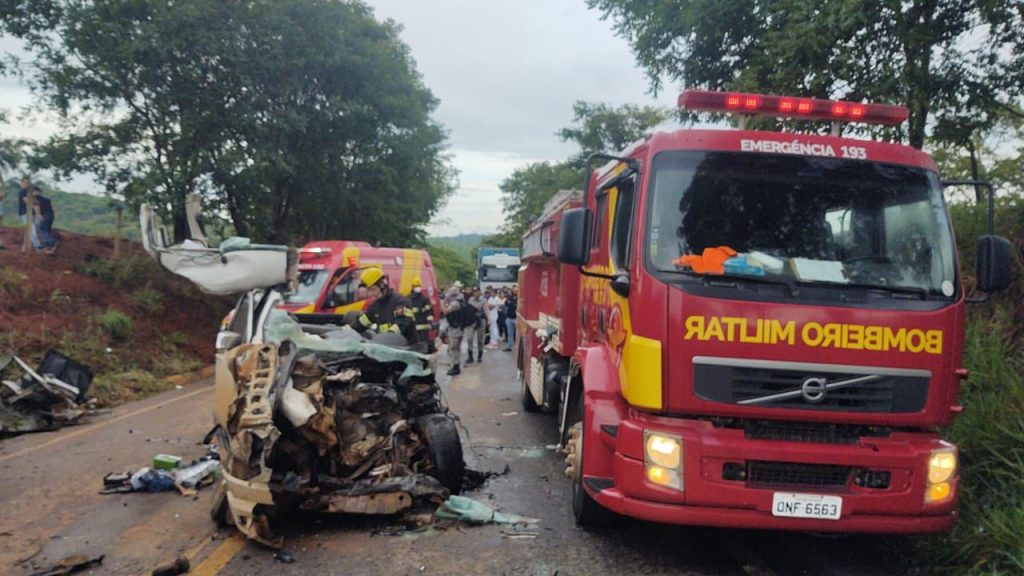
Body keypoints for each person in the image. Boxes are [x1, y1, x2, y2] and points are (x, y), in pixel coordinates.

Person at [350, 267, 419, 346]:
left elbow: (401, 324)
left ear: (382, 285)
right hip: (385, 350)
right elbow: (360, 324)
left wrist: (386, 337)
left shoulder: (401, 302)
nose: (370, 294)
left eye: (373, 289)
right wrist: (343, 331)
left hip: (406, 351)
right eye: (368, 290)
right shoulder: (375, 306)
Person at [442, 289, 466, 376]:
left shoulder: (455, 303)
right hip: (458, 327)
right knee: (456, 348)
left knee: (453, 348)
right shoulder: (461, 302)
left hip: (456, 328)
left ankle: (455, 367)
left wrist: (442, 303)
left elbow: (445, 311)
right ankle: (456, 366)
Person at [408, 276, 435, 353]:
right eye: (416, 286)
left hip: (423, 330)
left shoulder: (424, 299)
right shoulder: (407, 299)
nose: (418, 288)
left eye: (419, 286)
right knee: (412, 348)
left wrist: (429, 323)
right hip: (412, 330)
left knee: (423, 348)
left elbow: (429, 312)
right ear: (412, 287)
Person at [32, 186, 57, 254]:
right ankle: (48, 246)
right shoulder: (46, 199)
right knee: (47, 230)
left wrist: (39, 215)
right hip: (51, 216)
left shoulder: (35, 199)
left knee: (41, 228)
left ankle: (52, 242)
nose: (34, 193)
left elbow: (37, 208)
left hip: (44, 216)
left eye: (34, 191)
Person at [465, 287, 484, 363]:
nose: (476, 293)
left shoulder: (483, 300)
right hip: (471, 321)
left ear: (480, 292)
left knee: (480, 340)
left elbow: (483, 309)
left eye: (477, 291)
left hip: (481, 320)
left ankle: (479, 356)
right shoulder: (470, 300)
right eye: (474, 291)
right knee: (469, 338)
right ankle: (470, 356)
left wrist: (489, 320)